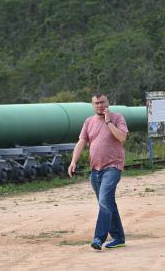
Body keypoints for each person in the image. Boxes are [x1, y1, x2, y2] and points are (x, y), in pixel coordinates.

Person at [68, 93, 129, 250]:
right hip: (95, 169)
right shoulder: (89, 121)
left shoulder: (117, 118)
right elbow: (81, 142)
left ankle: (98, 238)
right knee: (107, 202)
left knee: (104, 201)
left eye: (102, 102)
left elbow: (122, 137)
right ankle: (119, 237)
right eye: (96, 103)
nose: (99, 106)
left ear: (108, 102)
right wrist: (73, 161)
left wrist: (108, 121)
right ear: (92, 104)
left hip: (113, 167)